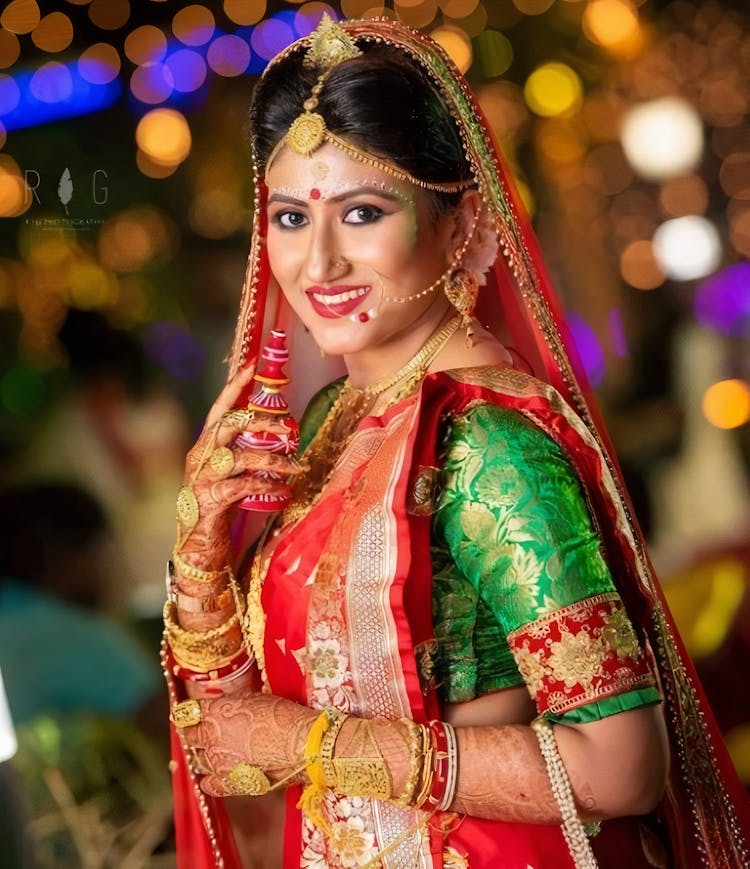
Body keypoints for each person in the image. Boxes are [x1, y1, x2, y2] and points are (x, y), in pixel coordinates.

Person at [162, 16, 750, 869]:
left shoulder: (486, 442)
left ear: (462, 225)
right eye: (290, 216)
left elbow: (622, 766)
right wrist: (203, 558)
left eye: (362, 212)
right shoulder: (337, 418)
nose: (318, 263)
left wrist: (313, 747)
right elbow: (245, 730)